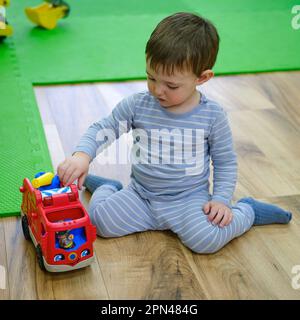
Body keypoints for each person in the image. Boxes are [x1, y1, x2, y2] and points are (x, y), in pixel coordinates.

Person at [57, 12, 292, 254]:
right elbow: (104, 128)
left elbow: (225, 162)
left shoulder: (212, 115)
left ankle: (249, 211)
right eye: (151, 77)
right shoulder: (138, 105)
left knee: (206, 240)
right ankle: (109, 187)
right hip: (142, 195)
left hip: (188, 200)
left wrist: (221, 200)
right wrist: (82, 156)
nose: (158, 90)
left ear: (202, 77)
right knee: (99, 222)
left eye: (171, 85)